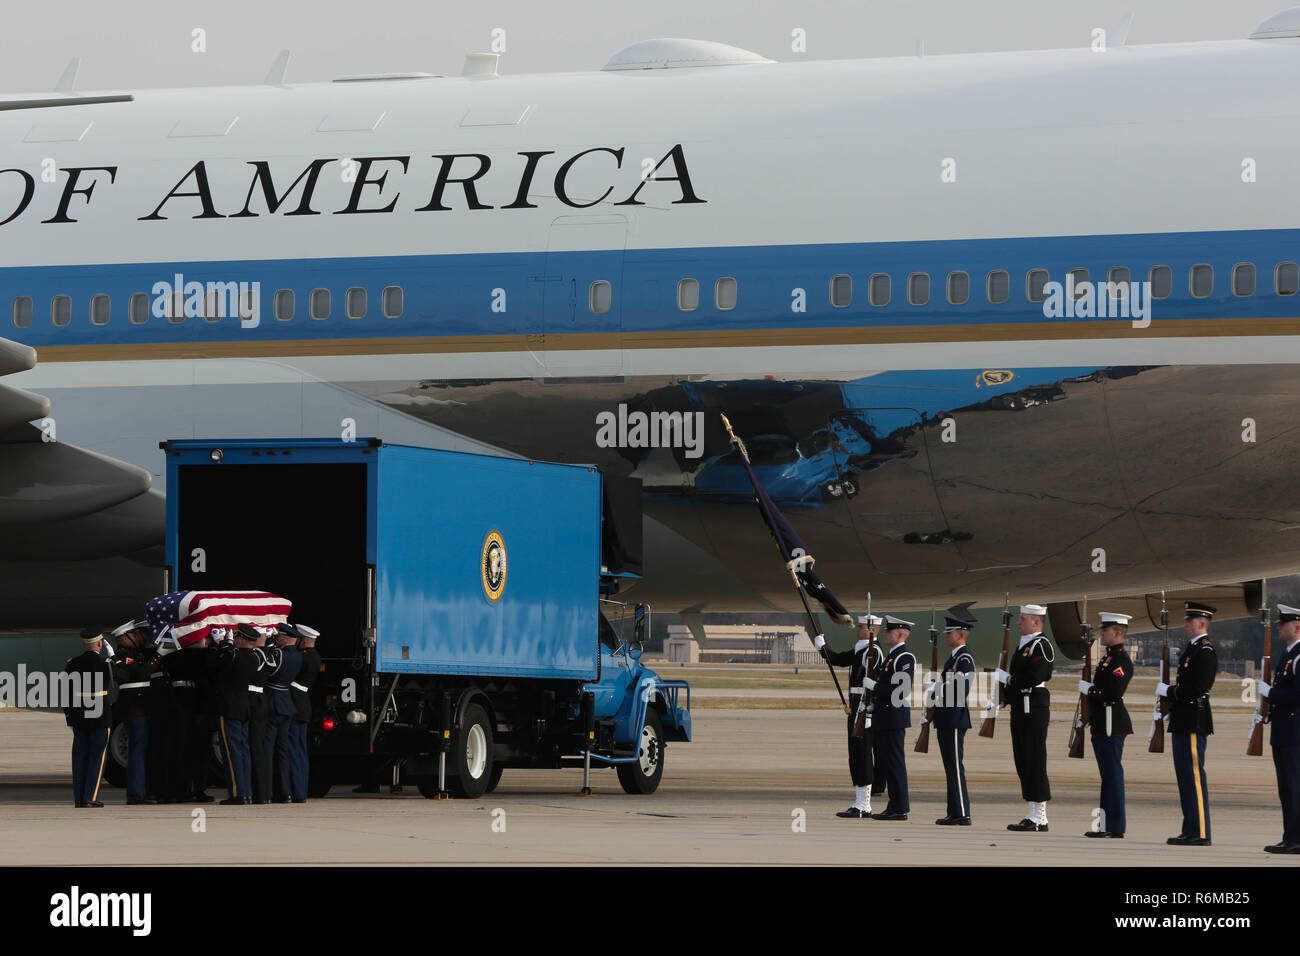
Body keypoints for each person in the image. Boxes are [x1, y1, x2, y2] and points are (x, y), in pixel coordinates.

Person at [1158, 601, 1217, 846]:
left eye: (1189, 621)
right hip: (1184, 719)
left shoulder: (1205, 651)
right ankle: (1191, 828)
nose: (1185, 624)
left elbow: (1199, 687)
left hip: (1194, 720)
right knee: (1185, 778)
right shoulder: (1192, 649)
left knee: (1193, 776)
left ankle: (1201, 831)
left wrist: (1170, 692)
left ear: (1202, 624)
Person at [815, 614, 885, 818]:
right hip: (856, 706)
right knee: (855, 754)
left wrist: (869, 711)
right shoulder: (861, 649)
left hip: (864, 708)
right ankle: (858, 802)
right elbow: (839, 660)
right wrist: (822, 647)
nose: (858, 629)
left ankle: (865, 804)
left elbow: (872, 683)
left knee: (863, 754)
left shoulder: (873, 652)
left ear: (872, 630)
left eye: (862, 627)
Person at [997, 603, 1054, 832]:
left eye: (1023, 619)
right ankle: (1032, 812)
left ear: (1036, 622)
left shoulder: (1041, 645)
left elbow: (1039, 674)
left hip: (1034, 706)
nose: (1019, 623)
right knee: (1023, 759)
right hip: (1021, 706)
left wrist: (1009, 680)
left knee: (1034, 759)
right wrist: (1004, 698)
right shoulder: (1025, 646)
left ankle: (1040, 816)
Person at [1081, 612, 1133, 838]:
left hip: (1112, 722)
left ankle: (1115, 826)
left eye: (1106, 630)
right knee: (1107, 775)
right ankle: (1105, 825)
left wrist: (1090, 690)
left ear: (1118, 632)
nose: (1102, 633)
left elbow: (1112, 692)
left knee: (1112, 775)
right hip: (1103, 722)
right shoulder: (1109, 658)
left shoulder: (1120, 660)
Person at [109, 618, 163, 805]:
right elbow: (140, 674)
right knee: (138, 749)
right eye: (136, 634)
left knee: (146, 750)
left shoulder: (139, 654)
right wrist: (158, 656)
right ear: (124, 637)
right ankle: (136, 793)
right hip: (134, 709)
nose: (141, 637)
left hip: (144, 707)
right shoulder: (122, 657)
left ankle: (147, 789)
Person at [1261, 604, 1300, 853]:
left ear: (1297, 627)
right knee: (1286, 788)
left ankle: (1295, 839)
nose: (1278, 627)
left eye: (1283, 624)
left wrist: (1271, 694)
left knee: (1294, 786)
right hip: (1284, 732)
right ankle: (1290, 837)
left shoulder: (1298, 656)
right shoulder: (1288, 654)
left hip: (1295, 733)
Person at [161, 629, 215, 803]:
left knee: (183, 749)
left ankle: (179, 790)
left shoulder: (174, 657)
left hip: (184, 705)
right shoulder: (200, 658)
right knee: (191, 750)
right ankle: (190, 789)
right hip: (192, 706)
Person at [871, 616, 915, 821]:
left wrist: (874, 687)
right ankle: (894, 805)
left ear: (899, 634)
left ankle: (900, 807)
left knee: (895, 763)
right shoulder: (891, 656)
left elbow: (901, 690)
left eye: (889, 631)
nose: (886, 634)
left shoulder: (904, 657)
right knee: (888, 763)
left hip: (893, 716)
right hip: (885, 715)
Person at [933, 614, 976, 825]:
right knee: (950, 767)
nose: (946, 636)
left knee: (955, 767)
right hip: (946, 718)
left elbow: (962, 689)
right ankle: (954, 811)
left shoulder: (964, 659)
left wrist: (937, 687)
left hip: (954, 719)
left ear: (960, 634)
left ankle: (962, 813)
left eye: (949, 633)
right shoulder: (954, 658)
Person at [64, 628, 113, 808]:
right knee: (97, 756)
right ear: (100, 644)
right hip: (100, 715)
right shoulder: (106, 662)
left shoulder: (72, 663)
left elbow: (66, 692)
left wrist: (69, 715)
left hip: (78, 715)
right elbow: (121, 676)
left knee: (79, 756)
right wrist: (114, 658)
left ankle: (79, 798)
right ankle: (90, 797)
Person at [211, 625, 259, 805]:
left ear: (242, 639)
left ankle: (237, 793)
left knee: (232, 753)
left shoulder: (233, 657)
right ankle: (246, 792)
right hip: (244, 708)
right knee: (243, 752)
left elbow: (216, 665)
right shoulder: (253, 659)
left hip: (229, 708)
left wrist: (222, 643)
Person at [237, 623, 275, 804]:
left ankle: (257, 793)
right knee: (261, 748)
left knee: (253, 748)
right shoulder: (270, 654)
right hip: (262, 699)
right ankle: (264, 793)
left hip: (251, 700)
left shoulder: (255, 656)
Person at [265, 625, 302, 803]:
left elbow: (269, 669)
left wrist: (268, 643)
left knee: (269, 750)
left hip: (274, 703)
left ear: (286, 639)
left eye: (279, 636)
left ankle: (269, 791)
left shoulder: (280, 654)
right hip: (286, 702)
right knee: (283, 751)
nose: (277, 638)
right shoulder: (297, 656)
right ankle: (285, 792)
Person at [287, 623, 322, 803]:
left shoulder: (304, 658)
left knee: (294, 750)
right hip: (302, 705)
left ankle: (297, 791)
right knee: (300, 750)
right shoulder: (313, 657)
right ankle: (300, 790)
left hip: (295, 705)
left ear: (303, 640)